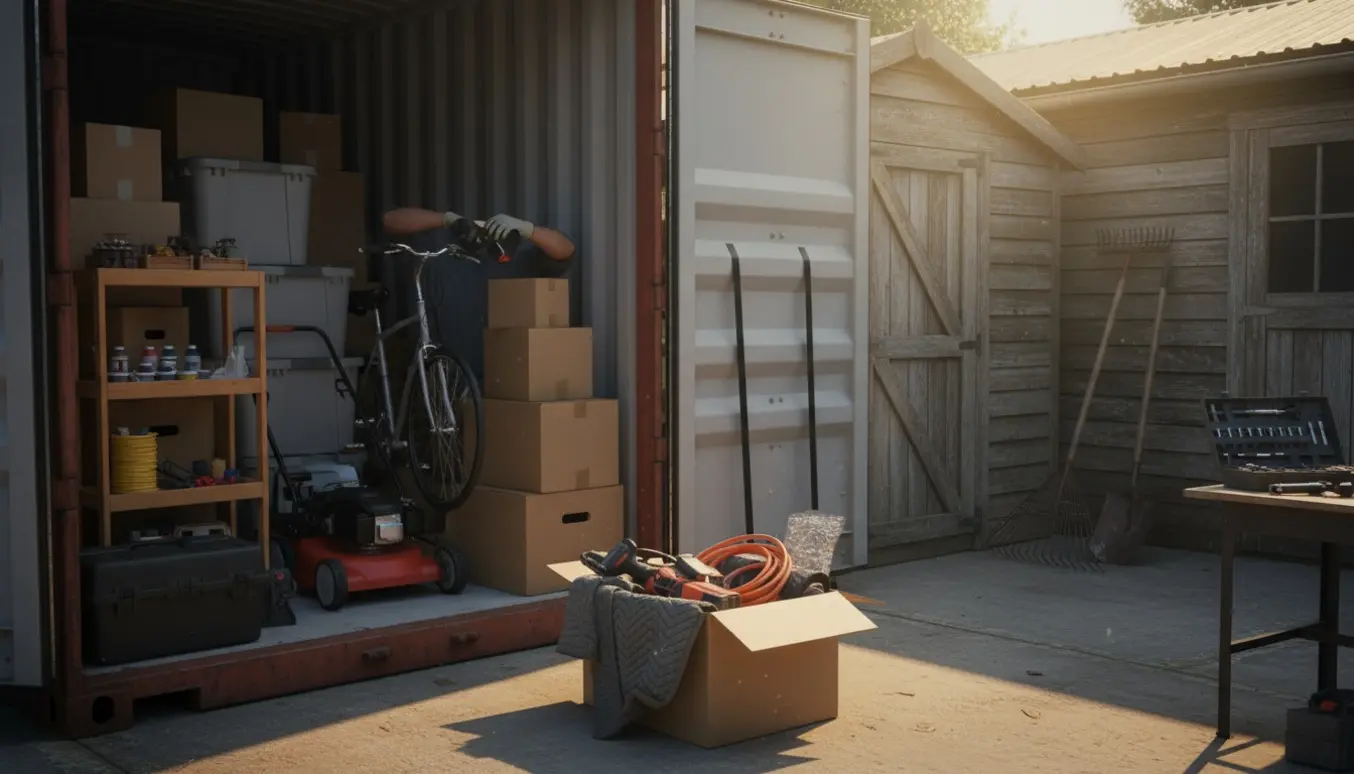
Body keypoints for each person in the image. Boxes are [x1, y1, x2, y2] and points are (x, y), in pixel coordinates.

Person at [380, 208, 576, 380]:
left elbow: (565, 250)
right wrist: (447, 219)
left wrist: (528, 229)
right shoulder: (441, 248)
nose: (482, 238)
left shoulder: (515, 257)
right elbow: (390, 221)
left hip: (499, 374)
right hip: (444, 370)